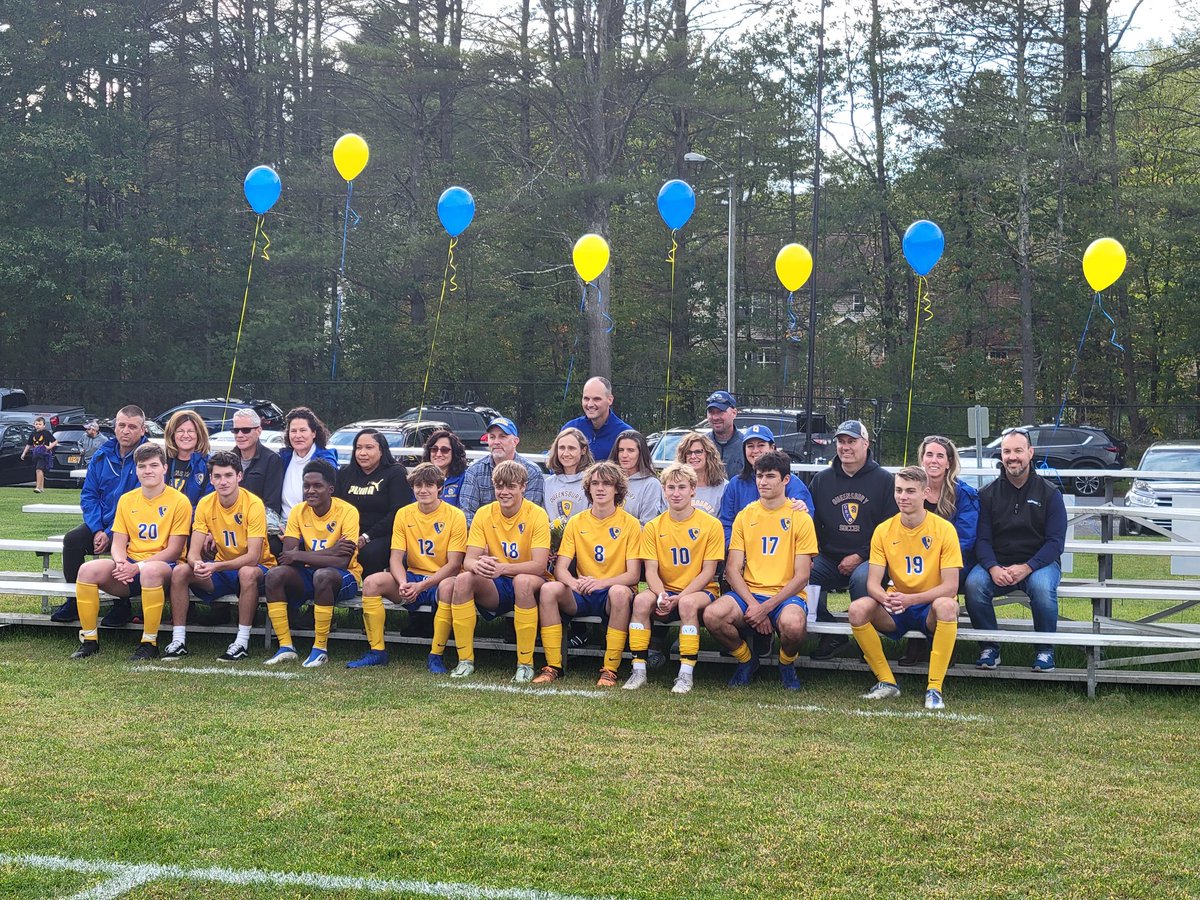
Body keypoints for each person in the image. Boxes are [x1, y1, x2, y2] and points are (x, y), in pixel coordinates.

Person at [847, 466, 963, 710]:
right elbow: (872, 583)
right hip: (896, 606)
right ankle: (887, 682)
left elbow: (951, 586)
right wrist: (884, 598)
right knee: (857, 609)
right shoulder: (884, 529)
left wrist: (913, 599)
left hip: (928, 607)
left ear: (926, 493)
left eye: (911, 491)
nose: (903, 497)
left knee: (947, 606)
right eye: (899, 490)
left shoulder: (944, 529)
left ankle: (934, 688)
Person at [702, 451, 818, 689]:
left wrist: (766, 608)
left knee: (794, 626)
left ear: (786, 480)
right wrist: (755, 605)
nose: (763, 482)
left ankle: (786, 664)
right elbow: (733, 570)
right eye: (759, 476)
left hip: (787, 596)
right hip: (750, 595)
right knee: (713, 615)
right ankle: (746, 660)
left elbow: (802, 576)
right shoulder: (745, 515)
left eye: (770, 476)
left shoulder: (801, 518)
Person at [68, 442, 192, 660]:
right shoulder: (127, 499)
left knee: (150, 571)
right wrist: (120, 562)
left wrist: (137, 567)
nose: (148, 471)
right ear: (136, 470)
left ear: (164, 468)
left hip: (163, 568)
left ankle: (149, 642)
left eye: (154, 465)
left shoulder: (179, 501)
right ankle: (89, 640)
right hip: (131, 565)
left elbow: (174, 550)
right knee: (87, 570)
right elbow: (118, 541)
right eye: (142, 466)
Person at [965, 428, 1067, 673]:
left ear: (1030, 453)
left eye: (1018, 451)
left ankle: (1045, 650)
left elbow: (1055, 543)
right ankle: (989, 647)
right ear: (1001, 455)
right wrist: (992, 567)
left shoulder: (1050, 493)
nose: (1012, 457)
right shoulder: (987, 494)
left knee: (1042, 588)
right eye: (1007, 451)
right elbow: (982, 539)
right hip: (998, 563)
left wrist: (1028, 567)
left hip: (1039, 564)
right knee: (973, 584)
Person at [533, 462, 642, 687]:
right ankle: (554, 665)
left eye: (607, 483)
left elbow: (633, 575)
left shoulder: (630, 524)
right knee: (549, 589)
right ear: (588, 489)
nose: (600, 488)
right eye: (595, 483)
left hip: (611, 593)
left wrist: (601, 583)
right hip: (582, 590)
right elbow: (561, 568)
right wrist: (573, 583)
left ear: (617, 489)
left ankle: (610, 669)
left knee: (621, 593)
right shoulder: (576, 521)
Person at [162, 450, 277, 662]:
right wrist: (198, 565)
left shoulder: (253, 504)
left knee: (246, 573)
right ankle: (178, 640)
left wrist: (215, 567)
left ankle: (241, 641)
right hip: (222, 568)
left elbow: (253, 556)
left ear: (239, 476)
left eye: (228, 476)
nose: (223, 482)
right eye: (217, 476)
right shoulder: (206, 503)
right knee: (180, 571)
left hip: (258, 569)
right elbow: (193, 552)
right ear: (211, 479)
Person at [352, 463, 466, 670]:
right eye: (418, 485)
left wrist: (421, 587)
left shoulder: (455, 515)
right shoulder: (404, 513)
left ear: (440, 487)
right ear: (412, 487)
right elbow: (395, 557)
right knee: (371, 583)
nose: (423, 490)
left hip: (441, 579)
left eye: (429, 485)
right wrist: (404, 583)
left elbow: (454, 564)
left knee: (449, 587)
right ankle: (377, 651)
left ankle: (436, 655)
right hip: (413, 576)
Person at [625, 462, 725, 693]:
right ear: (663, 490)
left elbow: (708, 572)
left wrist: (679, 597)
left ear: (693, 490)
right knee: (640, 601)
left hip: (700, 590)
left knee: (688, 605)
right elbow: (650, 570)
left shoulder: (711, 525)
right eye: (671, 487)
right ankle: (638, 670)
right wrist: (661, 594)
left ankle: (685, 674)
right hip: (664, 588)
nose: (676, 493)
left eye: (682, 487)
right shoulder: (652, 526)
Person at [450, 460, 550, 680]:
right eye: (499, 486)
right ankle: (464, 660)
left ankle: (525, 663)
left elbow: (539, 565)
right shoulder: (484, 513)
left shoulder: (537, 514)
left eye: (511, 486)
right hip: (497, 583)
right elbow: (468, 560)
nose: (504, 492)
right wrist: (477, 565)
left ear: (523, 486)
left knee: (522, 581)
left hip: (531, 581)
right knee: (464, 579)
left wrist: (503, 567)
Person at [808, 420, 898, 660]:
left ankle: (865, 640)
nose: (845, 447)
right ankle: (831, 635)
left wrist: (860, 555)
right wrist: (810, 555)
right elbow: (811, 523)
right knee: (800, 574)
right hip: (829, 557)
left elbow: (890, 529)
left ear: (866, 444)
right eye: (841, 441)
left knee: (862, 579)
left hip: (870, 558)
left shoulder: (885, 480)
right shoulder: (821, 480)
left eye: (852, 441)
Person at [52, 405, 149, 625]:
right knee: (73, 539)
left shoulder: (148, 457)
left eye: (132, 426)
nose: (126, 430)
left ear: (143, 430)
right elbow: (89, 495)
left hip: (135, 527)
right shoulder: (102, 455)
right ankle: (75, 600)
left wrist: (109, 532)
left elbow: (141, 503)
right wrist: (97, 528)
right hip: (102, 524)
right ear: (114, 427)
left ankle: (121, 605)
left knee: (123, 543)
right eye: (121, 425)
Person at [262, 459, 361, 668]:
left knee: (323, 575)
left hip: (344, 577)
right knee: (274, 574)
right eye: (306, 486)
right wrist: (330, 551)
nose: (310, 491)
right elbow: (288, 555)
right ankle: (286, 646)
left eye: (317, 486)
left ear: (330, 489)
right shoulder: (298, 511)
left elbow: (342, 561)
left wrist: (302, 556)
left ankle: (320, 648)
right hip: (310, 573)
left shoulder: (348, 511)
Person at [899, 435, 980, 666]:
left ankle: (942, 644)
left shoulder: (964, 494)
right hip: (915, 561)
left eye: (940, 456)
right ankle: (918, 639)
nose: (933, 460)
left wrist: (934, 563)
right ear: (922, 459)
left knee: (932, 580)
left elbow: (965, 538)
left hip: (952, 563)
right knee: (909, 576)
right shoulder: (911, 491)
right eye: (929, 454)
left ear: (949, 462)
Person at [335, 428, 413, 578]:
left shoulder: (396, 473)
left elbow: (398, 513)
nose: (362, 453)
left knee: (368, 553)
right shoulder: (345, 472)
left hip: (382, 535)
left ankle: (369, 592)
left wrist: (366, 536)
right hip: (349, 532)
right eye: (358, 448)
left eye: (369, 447)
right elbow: (336, 506)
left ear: (381, 450)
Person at [718, 424, 813, 544]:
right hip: (742, 556)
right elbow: (726, 524)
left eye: (761, 445)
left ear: (772, 447)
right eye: (750, 446)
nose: (755, 450)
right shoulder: (735, 484)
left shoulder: (791, 482)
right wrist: (737, 551)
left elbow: (805, 524)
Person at [459, 417, 545, 527]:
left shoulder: (532, 472)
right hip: (482, 538)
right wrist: (481, 539)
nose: (496, 442)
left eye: (502, 437)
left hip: (520, 537)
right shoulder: (474, 470)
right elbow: (467, 513)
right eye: (492, 437)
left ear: (515, 441)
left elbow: (530, 515)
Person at [278, 406, 338, 524]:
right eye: (293, 431)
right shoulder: (283, 458)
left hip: (312, 528)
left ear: (314, 433)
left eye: (303, 430)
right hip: (282, 526)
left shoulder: (326, 461)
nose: (297, 435)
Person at [232, 408, 284, 540]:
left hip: (258, 529)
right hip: (227, 525)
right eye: (236, 430)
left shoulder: (272, 460)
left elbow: (272, 506)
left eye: (245, 430)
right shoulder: (227, 460)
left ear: (259, 431)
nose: (240, 435)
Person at [561, 376, 632, 463]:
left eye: (596, 399)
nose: (590, 404)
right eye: (586, 399)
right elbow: (556, 464)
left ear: (610, 400)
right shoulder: (571, 429)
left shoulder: (625, 434)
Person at [610, 429, 665, 525]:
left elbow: (647, 524)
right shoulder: (607, 480)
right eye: (621, 450)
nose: (624, 455)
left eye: (630, 450)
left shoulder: (651, 484)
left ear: (641, 453)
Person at [163, 409, 213, 508]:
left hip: (195, 521)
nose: (185, 435)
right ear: (172, 435)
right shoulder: (163, 463)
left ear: (199, 434)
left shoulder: (209, 465)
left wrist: (184, 519)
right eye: (180, 431)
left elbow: (206, 503)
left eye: (190, 431)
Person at [543, 426, 594, 522]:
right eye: (562, 448)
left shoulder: (592, 482)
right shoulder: (548, 483)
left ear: (583, 450)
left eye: (571, 448)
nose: (566, 453)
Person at [675, 431, 727, 516]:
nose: (693, 457)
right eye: (689, 453)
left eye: (698, 452)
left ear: (708, 454)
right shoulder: (674, 487)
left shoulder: (724, 487)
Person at [422, 428, 468, 507]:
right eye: (434, 449)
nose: (438, 454)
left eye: (445, 450)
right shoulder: (419, 476)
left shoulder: (465, 478)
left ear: (454, 452)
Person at [704, 390, 745, 478]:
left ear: (734, 413)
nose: (715, 417)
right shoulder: (702, 445)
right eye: (711, 412)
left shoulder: (747, 446)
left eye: (720, 412)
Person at [21, 416, 57, 493]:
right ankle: (42, 488)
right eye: (36, 424)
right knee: (39, 470)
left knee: (39, 469)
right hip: (35, 454)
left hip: (44, 454)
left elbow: (55, 441)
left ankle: (38, 487)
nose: (38, 425)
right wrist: (24, 453)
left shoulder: (46, 433)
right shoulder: (33, 433)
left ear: (44, 425)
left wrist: (49, 447)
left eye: (40, 424)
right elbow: (29, 444)